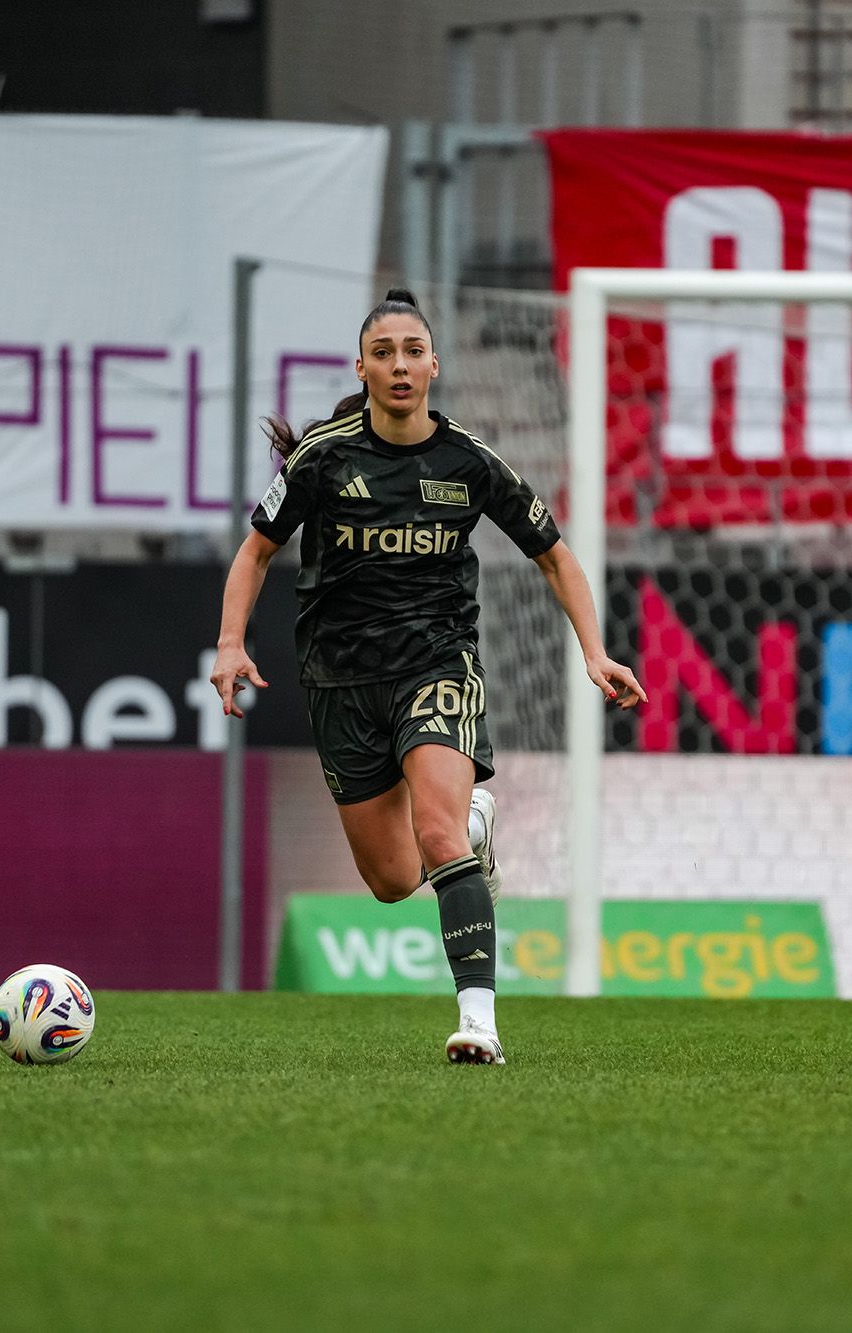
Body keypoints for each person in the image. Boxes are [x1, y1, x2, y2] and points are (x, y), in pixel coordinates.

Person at [212, 287, 645, 1064]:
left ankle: (479, 1022)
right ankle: (475, 827)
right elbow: (256, 550)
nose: (400, 365)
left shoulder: (468, 461)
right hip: (341, 682)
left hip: (437, 665)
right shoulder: (324, 458)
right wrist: (229, 643)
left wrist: (594, 650)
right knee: (390, 878)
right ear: (362, 369)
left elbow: (554, 554)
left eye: (413, 351)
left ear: (435, 365)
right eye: (384, 353)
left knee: (436, 832)